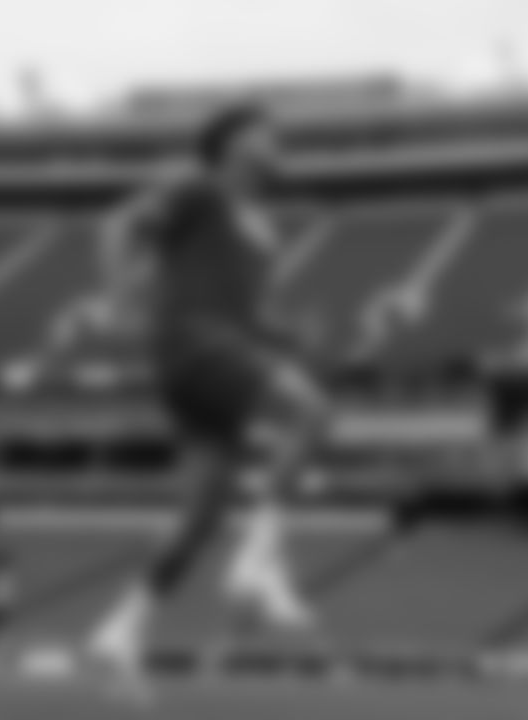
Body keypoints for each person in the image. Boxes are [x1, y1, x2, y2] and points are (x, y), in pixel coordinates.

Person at [81, 104, 330, 692]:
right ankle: (257, 563)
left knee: (203, 514)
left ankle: (122, 627)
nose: (279, 142)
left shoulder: (263, 227)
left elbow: (247, 313)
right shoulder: (196, 186)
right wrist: (119, 301)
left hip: (216, 351)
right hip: (191, 341)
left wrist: (286, 334)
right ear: (233, 143)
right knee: (312, 412)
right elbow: (118, 228)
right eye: (268, 133)